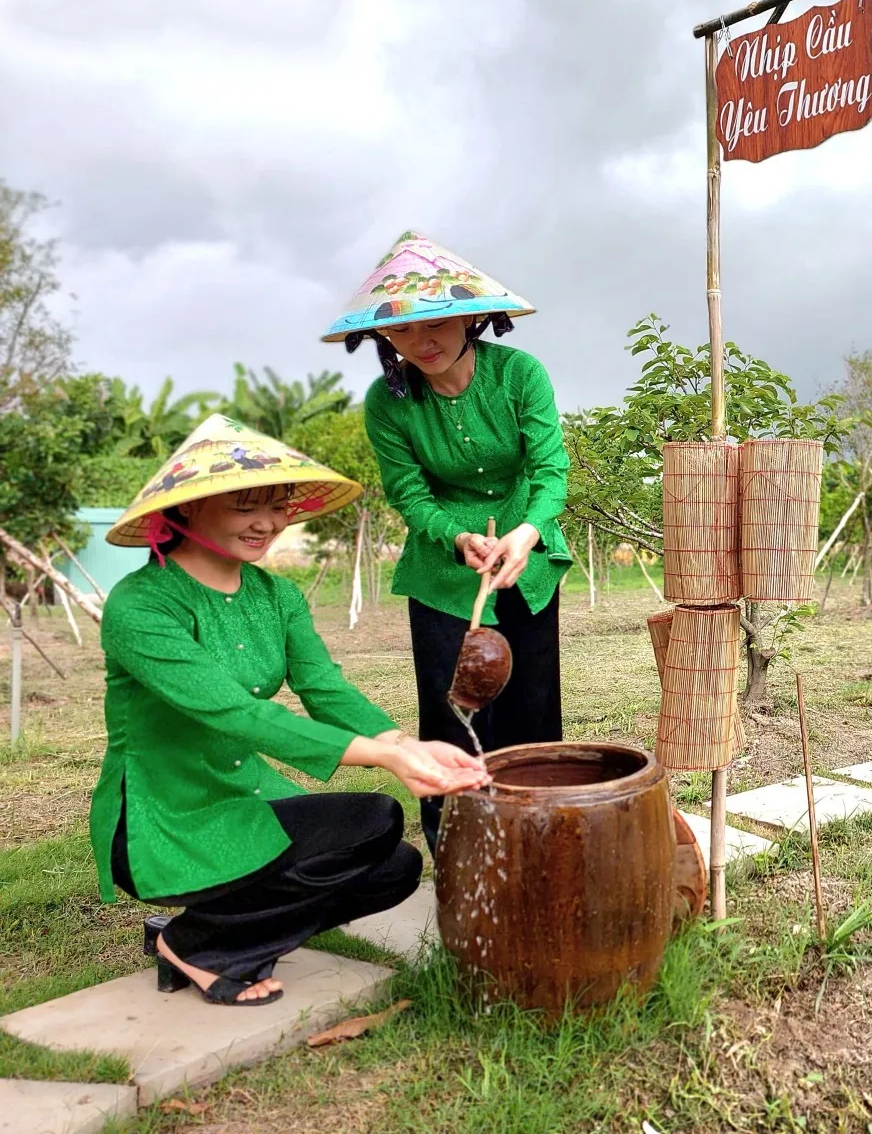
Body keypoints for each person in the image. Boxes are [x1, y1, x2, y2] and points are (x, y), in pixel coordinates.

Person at [88, 414, 490, 1007]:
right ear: (186, 508)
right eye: (244, 506)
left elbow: (323, 687)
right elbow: (234, 714)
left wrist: (404, 744)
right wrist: (381, 759)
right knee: (376, 818)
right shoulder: (142, 605)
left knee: (394, 868)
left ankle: (213, 933)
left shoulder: (276, 595)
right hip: (160, 812)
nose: (267, 523)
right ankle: (194, 945)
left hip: (241, 793)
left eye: (277, 506)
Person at [323, 232, 571, 854]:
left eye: (435, 323)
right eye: (401, 329)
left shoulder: (519, 375)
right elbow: (410, 495)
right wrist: (456, 537)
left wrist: (526, 533)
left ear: (470, 317)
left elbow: (550, 471)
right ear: (381, 335)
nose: (420, 342)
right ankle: (458, 853)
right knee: (451, 715)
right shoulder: (387, 403)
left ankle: (536, 843)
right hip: (441, 571)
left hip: (526, 559)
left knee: (532, 710)